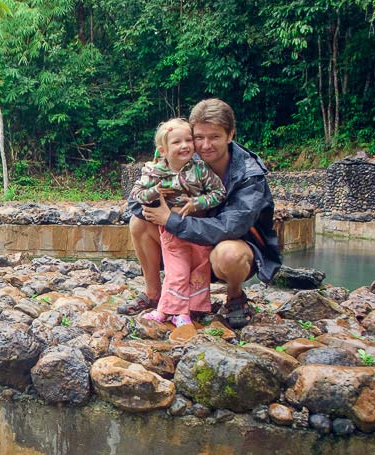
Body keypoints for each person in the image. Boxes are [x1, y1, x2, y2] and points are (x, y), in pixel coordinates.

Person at [117, 99, 282, 329]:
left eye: (214, 137)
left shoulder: (249, 174)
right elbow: (135, 202)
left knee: (229, 253)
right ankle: (154, 295)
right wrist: (158, 198)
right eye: (199, 137)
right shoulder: (183, 156)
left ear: (230, 135)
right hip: (187, 244)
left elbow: (230, 227)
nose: (205, 145)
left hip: (229, 250)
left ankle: (234, 297)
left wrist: (172, 219)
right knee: (139, 222)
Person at [129, 118, 226, 328]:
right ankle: (172, 310)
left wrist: (197, 203)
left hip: (199, 229)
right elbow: (136, 194)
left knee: (199, 268)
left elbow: (220, 192)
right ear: (163, 150)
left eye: (188, 140)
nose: (184, 146)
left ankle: (196, 308)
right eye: (177, 142)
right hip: (171, 229)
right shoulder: (155, 172)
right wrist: (155, 191)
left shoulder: (200, 169)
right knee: (177, 269)